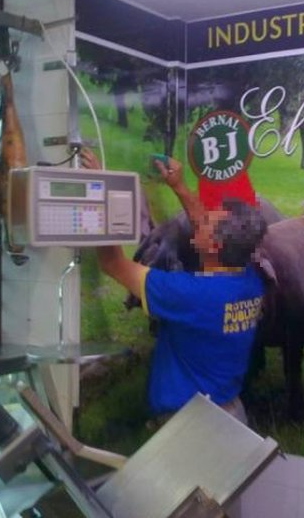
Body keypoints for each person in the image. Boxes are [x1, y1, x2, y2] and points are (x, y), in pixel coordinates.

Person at [80, 148, 268, 425]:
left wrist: (101, 189)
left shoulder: (187, 294)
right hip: (231, 414)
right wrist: (179, 187)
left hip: (189, 427)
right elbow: (204, 226)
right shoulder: (249, 280)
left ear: (215, 245)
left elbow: (112, 263)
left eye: (206, 222)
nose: (198, 221)